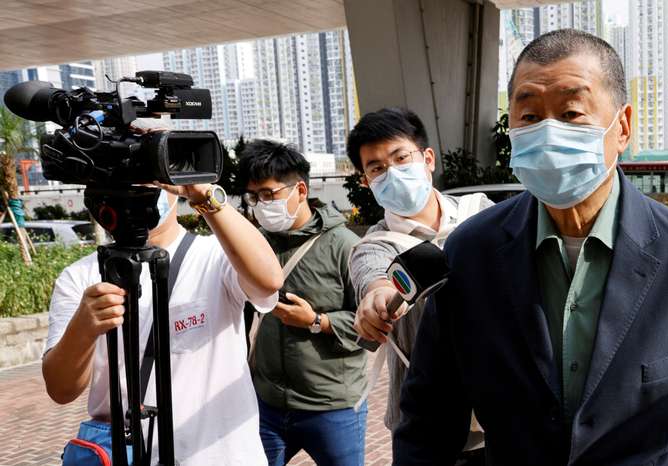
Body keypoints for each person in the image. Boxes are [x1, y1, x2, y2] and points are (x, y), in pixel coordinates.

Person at [393, 29, 668, 465]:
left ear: (623, 127)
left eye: (572, 112)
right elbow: (429, 419)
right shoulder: (471, 252)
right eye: (529, 116)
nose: (547, 133)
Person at [43, 176, 283, 462]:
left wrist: (202, 193)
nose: (139, 191)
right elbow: (61, 389)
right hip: (130, 456)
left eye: (150, 178)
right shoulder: (80, 277)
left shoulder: (215, 256)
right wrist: (83, 328)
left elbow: (269, 280)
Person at [347, 107, 493, 465]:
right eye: (377, 168)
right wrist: (377, 298)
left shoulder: (481, 214)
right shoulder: (376, 244)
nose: (391, 172)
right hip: (427, 427)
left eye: (400, 157)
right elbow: (375, 278)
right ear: (366, 181)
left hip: (501, 416)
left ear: (427, 158)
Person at [239, 139, 367, 466]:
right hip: (267, 404)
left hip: (332, 405)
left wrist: (317, 321)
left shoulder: (345, 246)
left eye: (269, 194)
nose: (261, 204)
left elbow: (371, 327)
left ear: (300, 190)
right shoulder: (256, 244)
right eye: (254, 197)